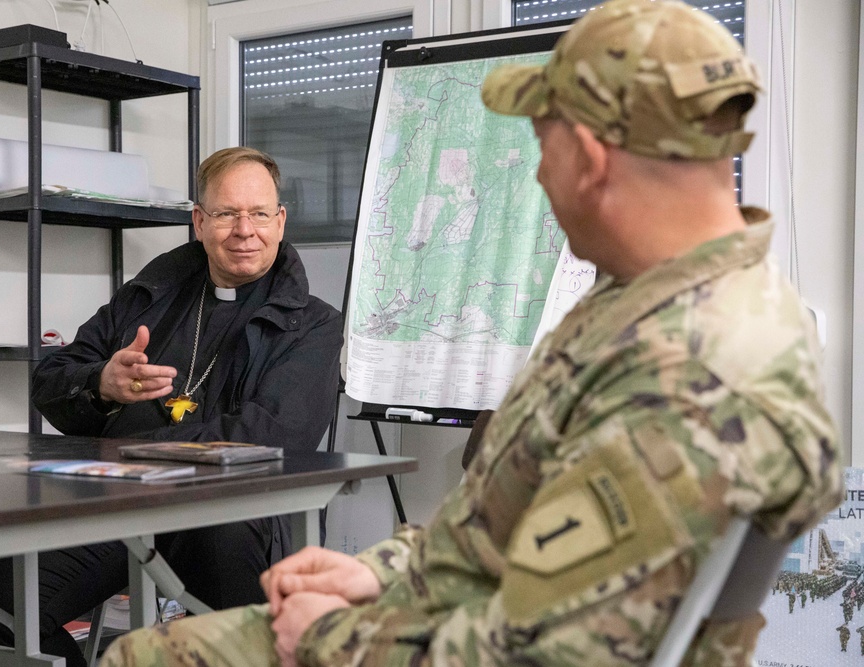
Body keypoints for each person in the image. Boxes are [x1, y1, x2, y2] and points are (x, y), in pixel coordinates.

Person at [101, 1, 844, 665]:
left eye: (541, 151)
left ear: (589, 159)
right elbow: (512, 530)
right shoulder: (637, 305)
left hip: (470, 640)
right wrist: (379, 571)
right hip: (452, 607)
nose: (540, 182)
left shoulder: (699, 363)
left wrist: (332, 634)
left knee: (145, 655)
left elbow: (561, 645)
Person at [0, 147, 343, 667]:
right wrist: (102, 384)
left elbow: (271, 435)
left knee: (224, 629)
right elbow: (51, 381)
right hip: (121, 503)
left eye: (260, 213)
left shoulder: (313, 324)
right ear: (199, 222)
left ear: (280, 221)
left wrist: (135, 448)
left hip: (231, 512)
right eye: (225, 214)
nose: (245, 229)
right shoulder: (151, 295)